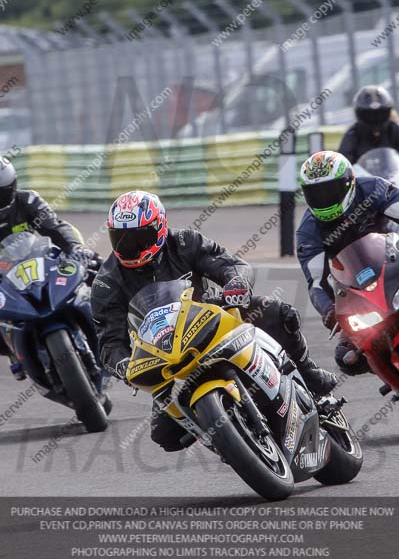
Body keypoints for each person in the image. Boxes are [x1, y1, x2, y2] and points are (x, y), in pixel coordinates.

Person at [91, 189, 336, 452]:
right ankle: (228, 444)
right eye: (121, 238)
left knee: (279, 313)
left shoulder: (185, 242)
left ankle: (308, 376)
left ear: (159, 226)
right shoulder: (106, 283)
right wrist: (122, 364)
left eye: (139, 237)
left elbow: (230, 264)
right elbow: (109, 341)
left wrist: (236, 282)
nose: (131, 246)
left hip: (213, 317)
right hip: (162, 353)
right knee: (165, 435)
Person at [295, 150, 399, 374]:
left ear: (349, 182)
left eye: (329, 190)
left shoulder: (374, 189)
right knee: (347, 359)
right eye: (315, 193)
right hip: (359, 288)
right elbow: (316, 282)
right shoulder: (308, 231)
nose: (324, 199)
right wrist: (328, 309)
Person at [0, 154, 98, 377]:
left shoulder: (28, 201)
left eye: (0, 193)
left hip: (37, 265)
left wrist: (76, 248)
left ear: (13, 187)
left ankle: (107, 325)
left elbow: (55, 227)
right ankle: (14, 351)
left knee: (96, 265)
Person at [339, 85, 399, 172]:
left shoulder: (395, 130)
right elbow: (344, 164)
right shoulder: (352, 134)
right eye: (369, 114)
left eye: (379, 114)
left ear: (387, 112)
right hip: (363, 184)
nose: (374, 118)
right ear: (360, 114)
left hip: (394, 183)